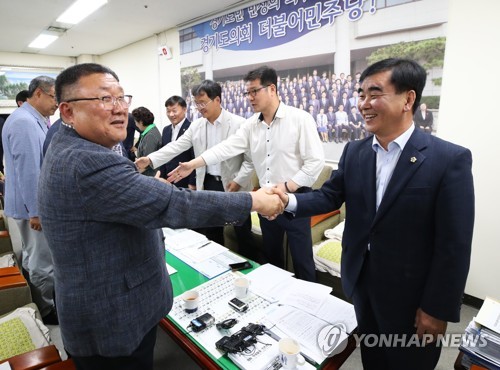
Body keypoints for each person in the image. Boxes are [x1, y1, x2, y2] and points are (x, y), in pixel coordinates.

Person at [38, 63, 282, 370]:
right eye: (104, 99)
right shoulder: (86, 161)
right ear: (68, 111)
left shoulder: (66, 142)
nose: (119, 109)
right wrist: (254, 201)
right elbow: (176, 204)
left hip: (100, 304)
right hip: (113, 320)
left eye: (121, 98)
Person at [274, 58, 474, 369]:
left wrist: (437, 309)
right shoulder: (355, 152)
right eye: (361, 94)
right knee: (374, 359)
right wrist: (286, 201)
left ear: (408, 99)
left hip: (413, 297)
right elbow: (329, 196)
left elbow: (454, 245)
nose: (364, 104)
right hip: (363, 284)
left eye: (375, 94)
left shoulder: (448, 159)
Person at [168, 66, 325, 282]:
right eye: (247, 93)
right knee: (272, 258)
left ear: (272, 89)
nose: (250, 98)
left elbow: (315, 163)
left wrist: (287, 187)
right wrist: (193, 164)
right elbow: (226, 147)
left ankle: (310, 306)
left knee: (302, 259)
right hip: (265, 200)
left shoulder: (300, 119)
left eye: (254, 91)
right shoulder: (251, 125)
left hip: (295, 198)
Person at [135, 80, 255, 254]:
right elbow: (176, 146)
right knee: (212, 233)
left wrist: (238, 182)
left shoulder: (239, 123)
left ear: (217, 100)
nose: (199, 107)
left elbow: (249, 161)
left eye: (203, 102)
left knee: (242, 232)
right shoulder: (197, 126)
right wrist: (150, 159)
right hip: (207, 184)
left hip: (233, 185)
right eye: (196, 103)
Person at [2, 76, 58, 324]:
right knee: (41, 261)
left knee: (33, 256)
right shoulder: (24, 122)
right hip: (30, 208)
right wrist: (36, 212)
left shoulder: (36, 119)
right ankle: (45, 310)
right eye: (54, 97)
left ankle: (41, 299)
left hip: (28, 204)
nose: (57, 103)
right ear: (38, 93)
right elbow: (28, 171)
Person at [159, 95, 195, 188]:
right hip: (167, 181)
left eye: (174, 111)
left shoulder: (192, 128)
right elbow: (163, 155)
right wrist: (161, 177)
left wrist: (192, 183)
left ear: (184, 109)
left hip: (185, 181)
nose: (171, 114)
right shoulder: (166, 130)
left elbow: (194, 157)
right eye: (168, 111)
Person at [131, 106, 162, 176]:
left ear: (141, 122)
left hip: (151, 175)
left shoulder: (150, 136)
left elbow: (147, 163)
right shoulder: (149, 132)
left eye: (136, 122)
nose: (136, 124)